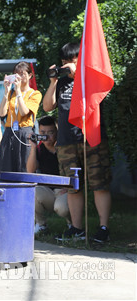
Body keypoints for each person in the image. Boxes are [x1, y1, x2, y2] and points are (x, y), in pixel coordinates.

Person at [43, 42, 112, 243]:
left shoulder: (92, 78)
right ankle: (76, 228)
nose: (66, 65)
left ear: (80, 60)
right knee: (73, 186)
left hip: (91, 139)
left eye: (70, 61)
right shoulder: (61, 82)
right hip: (66, 141)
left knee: (99, 184)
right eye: (63, 61)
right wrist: (53, 81)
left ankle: (103, 228)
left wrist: (78, 74)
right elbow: (48, 106)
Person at [26, 116, 70, 235]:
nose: (46, 136)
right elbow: (30, 170)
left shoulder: (64, 147)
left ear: (57, 132)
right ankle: (41, 224)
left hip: (65, 191)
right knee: (32, 191)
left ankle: (72, 224)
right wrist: (33, 148)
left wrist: (68, 188)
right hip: (49, 192)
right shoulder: (40, 149)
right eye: (42, 133)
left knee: (61, 208)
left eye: (50, 132)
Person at [0, 61, 42, 172]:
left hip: (25, 133)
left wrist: (18, 92)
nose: (19, 77)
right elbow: (2, 113)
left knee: (24, 167)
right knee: (7, 168)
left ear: (30, 75)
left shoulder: (35, 94)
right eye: (16, 74)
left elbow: (23, 112)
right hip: (9, 132)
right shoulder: (11, 93)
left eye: (22, 74)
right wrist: (6, 92)